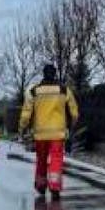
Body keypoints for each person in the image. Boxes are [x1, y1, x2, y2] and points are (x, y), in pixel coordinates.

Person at [19, 63, 79, 199]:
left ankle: (40, 186)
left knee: (41, 160)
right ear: (55, 74)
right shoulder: (64, 90)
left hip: (40, 134)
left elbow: (26, 114)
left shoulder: (34, 91)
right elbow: (74, 112)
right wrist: (71, 126)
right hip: (58, 134)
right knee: (56, 160)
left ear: (43, 74)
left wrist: (22, 129)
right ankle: (54, 186)